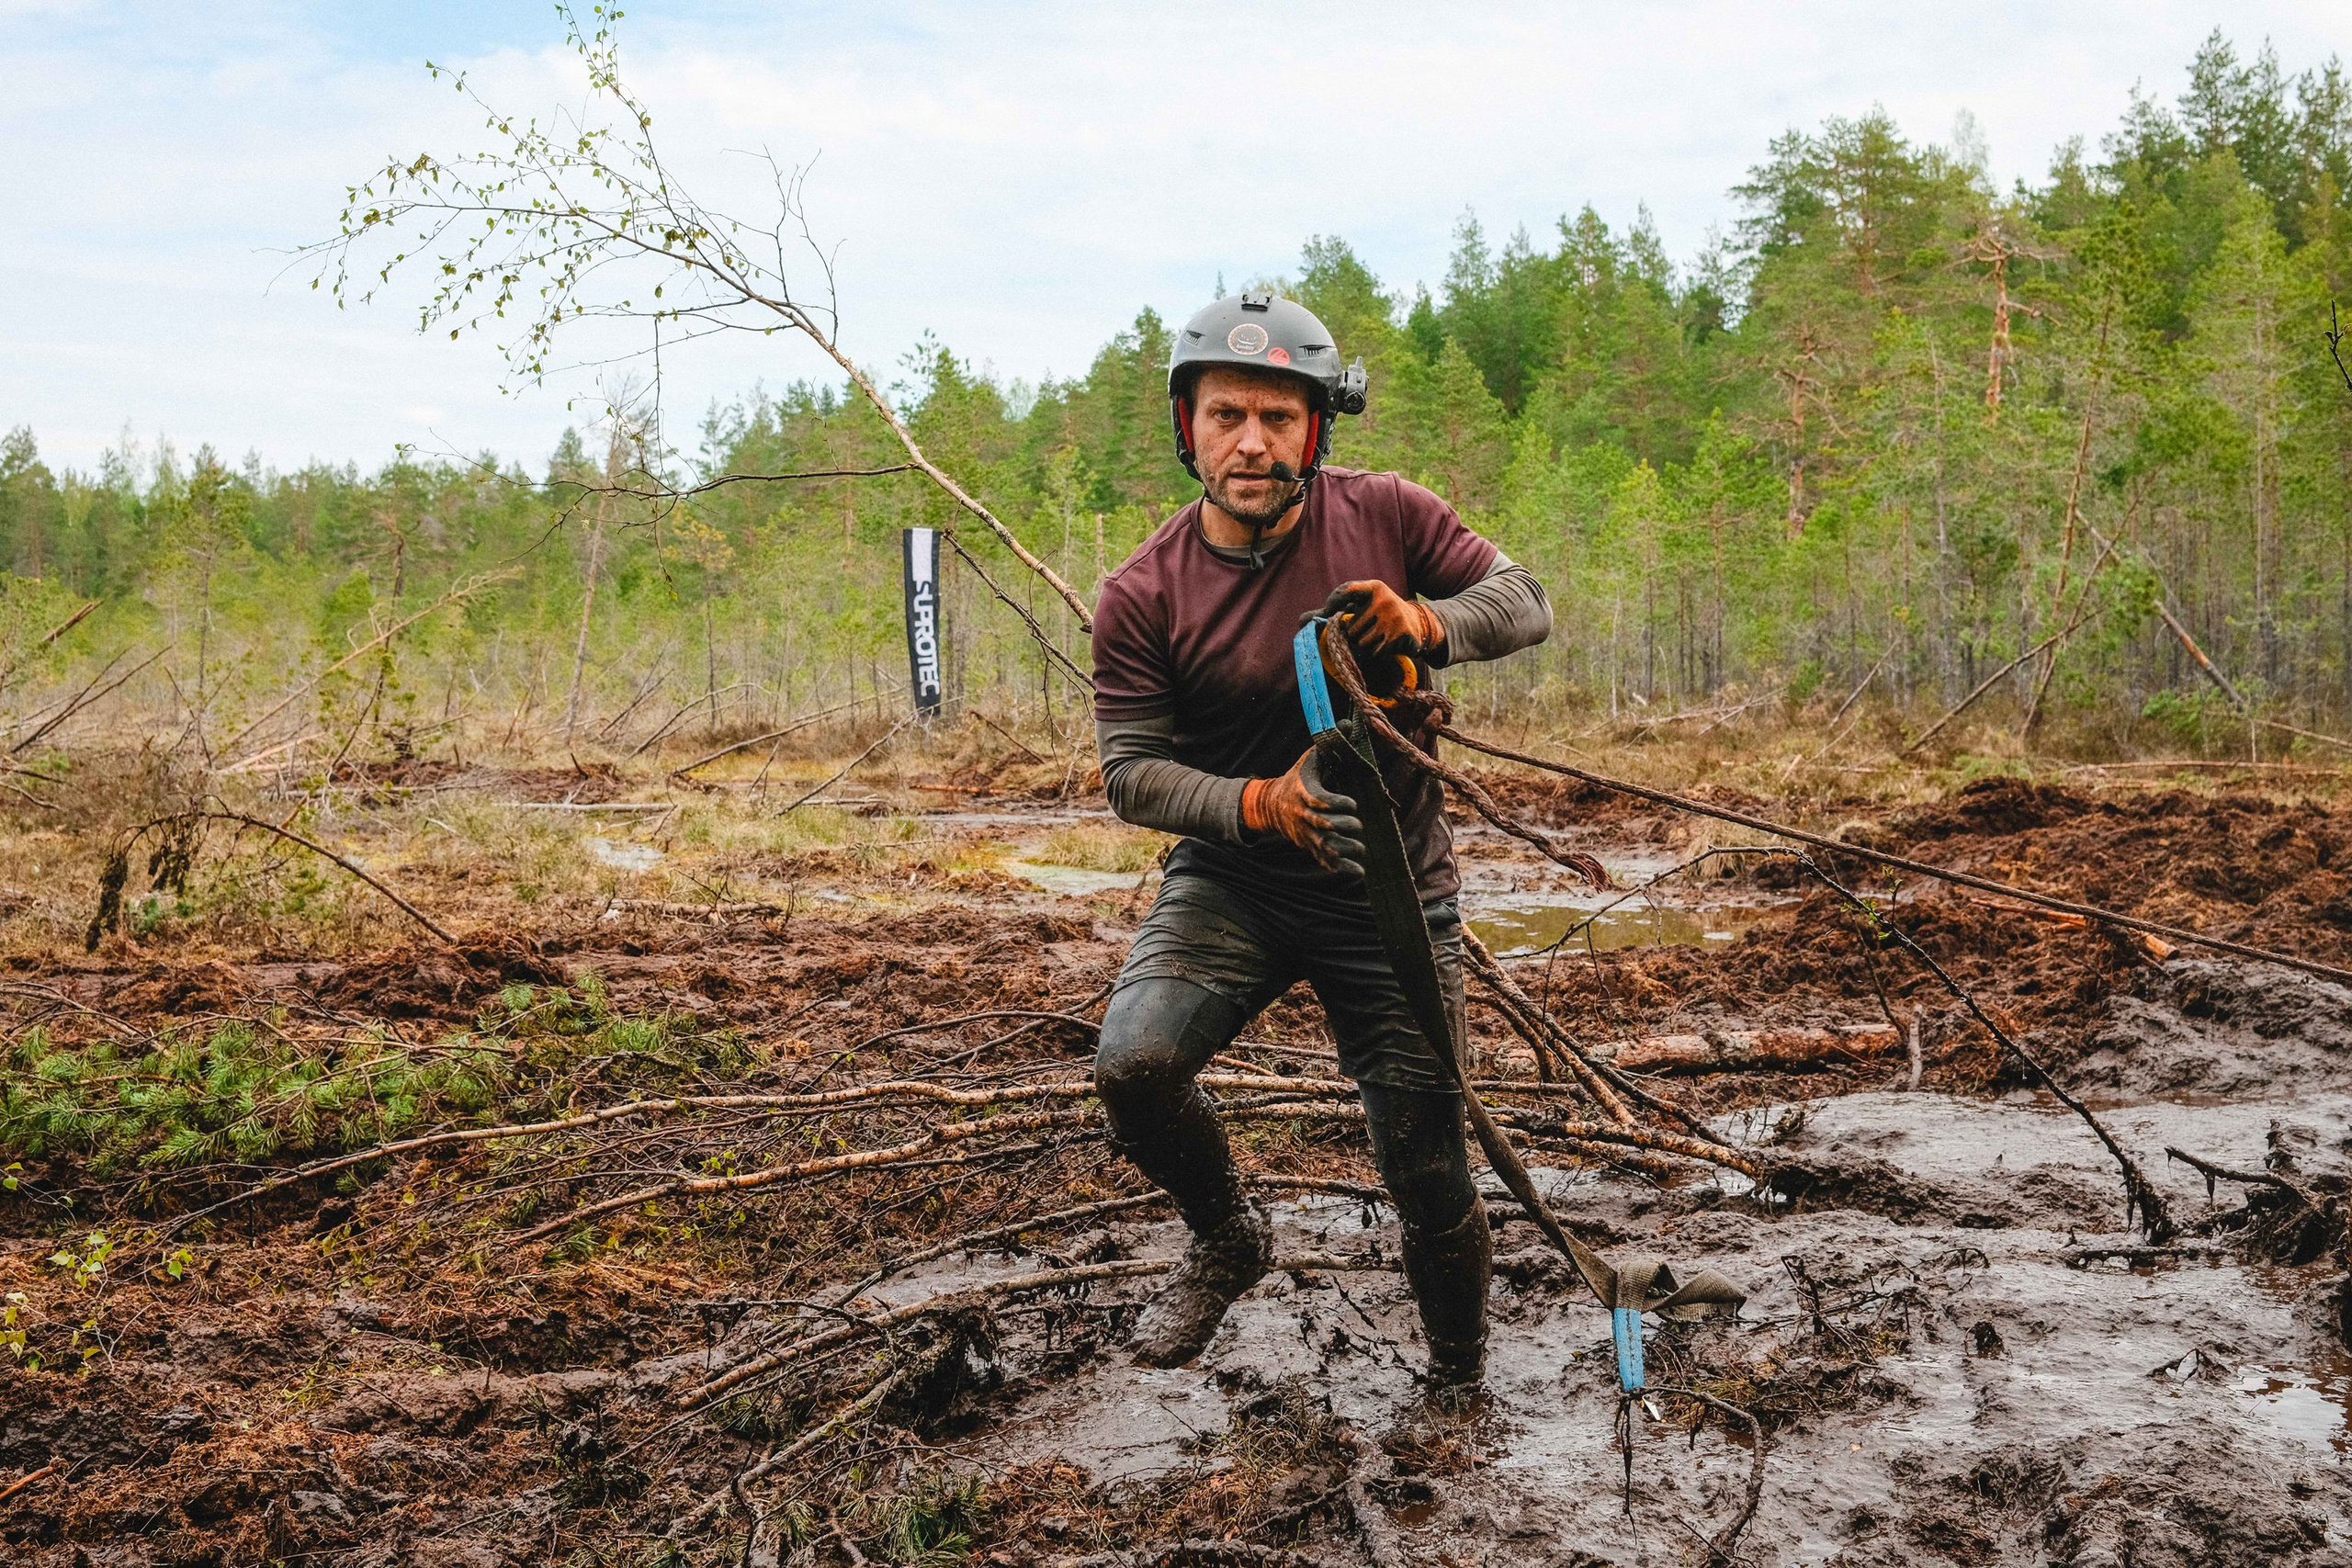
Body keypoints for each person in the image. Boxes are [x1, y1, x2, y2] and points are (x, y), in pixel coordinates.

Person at [1089, 290, 1553, 1395]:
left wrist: (1431, 623)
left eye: (1279, 419)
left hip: (1388, 888)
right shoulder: (1141, 593)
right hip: (1234, 882)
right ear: (1186, 426)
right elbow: (1133, 774)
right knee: (1137, 1068)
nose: (1252, 442)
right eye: (1225, 415)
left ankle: (1455, 1388)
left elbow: (1523, 599)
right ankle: (1227, 1237)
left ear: (1317, 428)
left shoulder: (1385, 515)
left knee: (1426, 1162)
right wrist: (1259, 805)